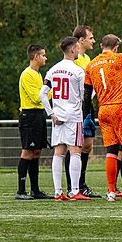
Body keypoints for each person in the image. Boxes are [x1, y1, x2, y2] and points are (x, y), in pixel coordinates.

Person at [84, 34, 122, 201]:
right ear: (116, 47)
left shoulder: (91, 65)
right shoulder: (119, 59)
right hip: (120, 106)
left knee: (111, 150)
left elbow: (87, 94)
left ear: (101, 46)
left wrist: (86, 115)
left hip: (103, 110)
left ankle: (111, 190)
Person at [39, 36, 91, 200]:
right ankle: (75, 191)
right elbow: (83, 96)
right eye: (77, 48)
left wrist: (51, 114)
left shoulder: (52, 70)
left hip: (58, 116)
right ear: (72, 49)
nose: (78, 50)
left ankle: (58, 192)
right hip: (73, 116)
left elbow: (42, 95)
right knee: (75, 151)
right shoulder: (78, 71)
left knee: (58, 152)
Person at [68, 25, 99, 198]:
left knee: (87, 144)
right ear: (81, 40)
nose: (93, 40)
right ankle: (72, 186)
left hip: (88, 106)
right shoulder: (74, 59)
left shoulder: (87, 58)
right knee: (75, 146)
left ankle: (81, 183)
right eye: (91, 37)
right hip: (77, 106)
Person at [16, 44, 50, 200]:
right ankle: (21, 191)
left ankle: (35, 190)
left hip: (39, 115)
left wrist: (48, 93)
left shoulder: (38, 74)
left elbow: (43, 97)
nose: (45, 58)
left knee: (36, 152)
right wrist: (50, 91)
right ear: (36, 57)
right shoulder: (27, 74)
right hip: (29, 116)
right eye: (43, 55)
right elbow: (37, 98)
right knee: (27, 151)